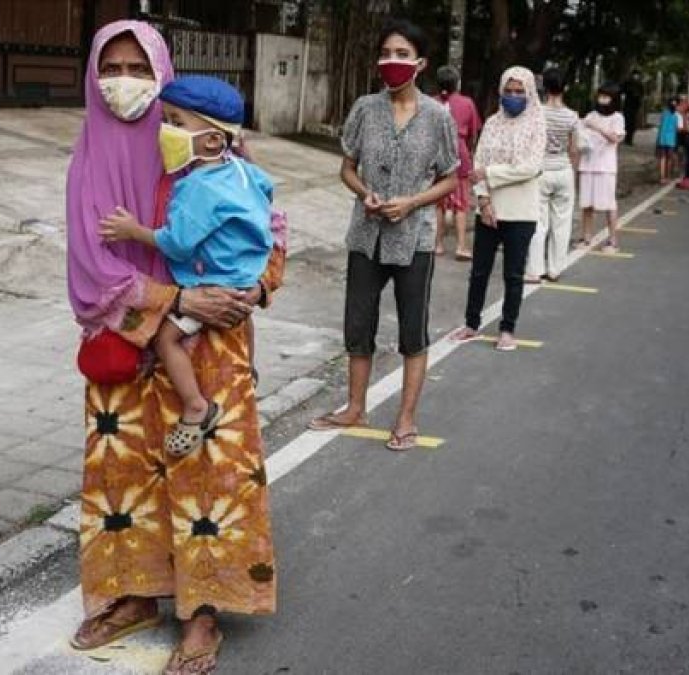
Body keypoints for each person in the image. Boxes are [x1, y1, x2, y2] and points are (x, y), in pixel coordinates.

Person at [66, 21, 286, 675]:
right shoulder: (88, 164)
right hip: (127, 343)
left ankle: (203, 614)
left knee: (209, 481)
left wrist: (250, 289)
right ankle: (135, 595)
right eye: (114, 66)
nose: (125, 82)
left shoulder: (209, 153)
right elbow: (88, 267)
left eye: (140, 67)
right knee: (124, 478)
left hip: (216, 348)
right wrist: (177, 301)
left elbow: (269, 239)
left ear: (163, 76)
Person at [97, 75, 274, 458]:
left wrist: (133, 231)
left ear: (212, 139)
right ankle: (250, 370)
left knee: (166, 339)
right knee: (244, 318)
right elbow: (268, 190)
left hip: (212, 283)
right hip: (247, 278)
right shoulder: (244, 171)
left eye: (177, 123)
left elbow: (176, 243)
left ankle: (195, 406)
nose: (166, 131)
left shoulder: (199, 187)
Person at [306, 19, 459, 451]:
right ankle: (355, 408)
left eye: (403, 55)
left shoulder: (436, 118)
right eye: (387, 53)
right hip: (365, 235)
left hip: (415, 240)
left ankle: (406, 418)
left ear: (421, 63)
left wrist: (412, 201)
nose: (393, 62)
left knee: (413, 330)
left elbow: (451, 178)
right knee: (358, 325)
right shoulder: (364, 109)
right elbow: (347, 169)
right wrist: (366, 193)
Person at [450, 66, 546, 352]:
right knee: (479, 271)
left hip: (521, 212)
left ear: (529, 94)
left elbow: (530, 168)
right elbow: (478, 163)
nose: (513, 96)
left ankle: (508, 328)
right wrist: (483, 200)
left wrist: (489, 174)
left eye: (519, 92)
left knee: (513, 274)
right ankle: (471, 324)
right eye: (509, 91)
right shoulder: (492, 123)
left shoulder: (537, 123)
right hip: (488, 210)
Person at [524, 66, 579, 284]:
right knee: (562, 222)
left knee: (538, 222)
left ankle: (534, 270)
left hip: (540, 171)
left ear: (544, 87)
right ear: (564, 87)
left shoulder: (536, 114)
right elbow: (574, 149)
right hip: (564, 170)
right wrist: (572, 171)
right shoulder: (572, 117)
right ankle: (555, 268)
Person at [433, 64, 481, 260]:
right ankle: (461, 246)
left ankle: (437, 245)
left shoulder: (430, 102)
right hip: (459, 153)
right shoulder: (467, 103)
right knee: (461, 203)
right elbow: (473, 132)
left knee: (438, 203)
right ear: (457, 83)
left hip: (436, 154)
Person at [576, 83, 626, 250]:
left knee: (609, 204)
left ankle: (613, 239)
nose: (602, 100)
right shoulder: (590, 115)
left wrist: (596, 127)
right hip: (588, 164)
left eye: (606, 97)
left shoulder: (617, 118)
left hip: (606, 167)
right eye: (600, 96)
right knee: (586, 204)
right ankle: (586, 237)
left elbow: (615, 139)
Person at [655, 97, 680, 183]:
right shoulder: (675, 116)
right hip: (670, 140)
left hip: (664, 139)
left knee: (664, 158)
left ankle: (663, 177)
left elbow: (662, 128)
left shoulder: (665, 114)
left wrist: (659, 140)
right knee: (668, 158)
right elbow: (676, 129)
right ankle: (666, 176)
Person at [621, 69, 644, 146]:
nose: (636, 76)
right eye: (635, 75)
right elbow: (622, 91)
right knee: (626, 122)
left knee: (632, 124)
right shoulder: (627, 83)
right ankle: (625, 138)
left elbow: (642, 94)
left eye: (637, 75)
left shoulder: (640, 84)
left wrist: (639, 102)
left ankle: (630, 139)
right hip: (628, 105)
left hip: (635, 106)